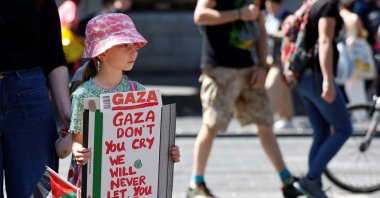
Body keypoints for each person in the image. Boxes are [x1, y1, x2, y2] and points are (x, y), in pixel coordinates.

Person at [187, 0, 300, 197]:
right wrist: (239, 13)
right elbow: (200, 16)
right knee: (211, 125)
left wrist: (262, 66)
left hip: (249, 69)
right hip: (219, 70)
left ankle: (286, 180)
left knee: (265, 122)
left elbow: (261, 29)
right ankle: (196, 184)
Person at [67, 13, 181, 187]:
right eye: (125, 45)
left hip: (130, 184)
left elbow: (150, 138)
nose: (134, 50)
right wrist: (78, 152)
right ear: (102, 52)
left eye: (134, 44)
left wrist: (168, 151)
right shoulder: (83, 95)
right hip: (94, 183)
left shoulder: (139, 91)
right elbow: (77, 140)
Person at [0, 0, 71, 197]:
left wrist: (67, 111)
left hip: (29, 97)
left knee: (36, 191)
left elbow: (53, 54)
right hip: (28, 94)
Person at [292, 0, 353, 197]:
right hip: (318, 78)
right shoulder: (327, 6)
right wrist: (328, 80)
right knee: (344, 128)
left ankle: (313, 186)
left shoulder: (313, 4)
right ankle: (310, 179)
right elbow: (325, 40)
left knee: (321, 132)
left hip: (305, 79)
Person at [264, 0, 294, 129]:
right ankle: (286, 117)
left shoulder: (287, 17)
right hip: (271, 59)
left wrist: (272, 35)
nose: (269, 8)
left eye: (270, 5)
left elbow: (289, 36)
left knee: (271, 87)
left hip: (281, 60)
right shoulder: (269, 17)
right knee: (282, 90)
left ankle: (265, 118)